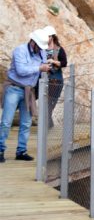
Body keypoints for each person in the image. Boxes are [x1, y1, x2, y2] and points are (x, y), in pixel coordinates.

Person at [0, 29, 51, 162]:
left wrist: (46, 68)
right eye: (39, 46)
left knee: (26, 123)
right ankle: (0, 150)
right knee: (6, 121)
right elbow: (21, 71)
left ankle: (21, 151)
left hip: (29, 91)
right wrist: (40, 68)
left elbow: (43, 67)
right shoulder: (20, 50)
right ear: (32, 42)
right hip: (14, 88)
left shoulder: (42, 52)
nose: (41, 49)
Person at [44, 26, 68, 128]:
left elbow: (64, 63)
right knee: (47, 102)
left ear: (52, 37)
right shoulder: (42, 48)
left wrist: (53, 61)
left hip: (56, 79)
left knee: (51, 102)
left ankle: (48, 123)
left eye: (47, 36)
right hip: (44, 79)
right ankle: (48, 124)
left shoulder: (59, 49)